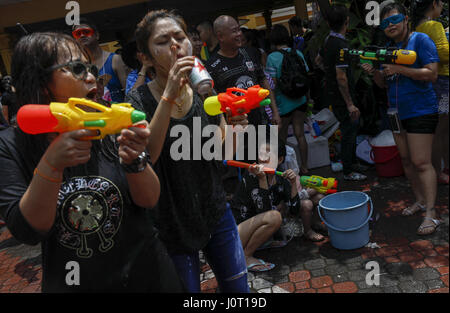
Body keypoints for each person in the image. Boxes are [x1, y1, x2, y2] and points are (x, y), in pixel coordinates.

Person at [0, 32, 185, 292]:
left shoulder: (107, 124)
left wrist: (135, 161)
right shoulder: (11, 145)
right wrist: (51, 165)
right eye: (76, 69)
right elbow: (28, 231)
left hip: (150, 275)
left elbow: (150, 200)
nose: (90, 77)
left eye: (90, 68)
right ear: (41, 82)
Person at [127, 9, 250, 293]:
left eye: (180, 37)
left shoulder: (204, 90)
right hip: (171, 223)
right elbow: (148, 158)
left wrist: (236, 128)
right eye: (162, 41)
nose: (174, 45)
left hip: (215, 209)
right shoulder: (138, 100)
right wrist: (169, 94)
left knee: (238, 291)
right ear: (145, 57)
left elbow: (220, 150)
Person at [362, 3, 441, 235]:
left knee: (421, 162)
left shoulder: (420, 40)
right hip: (396, 113)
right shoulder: (387, 48)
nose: (391, 26)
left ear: (406, 19)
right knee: (406, 161)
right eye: (385, 23)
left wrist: (399, 69)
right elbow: (382, 83)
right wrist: (375, 72)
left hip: (420, 110)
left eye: (394, 20)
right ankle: (420, 201)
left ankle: (432, 214)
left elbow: (432, 74)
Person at [231, 140, 325, 270]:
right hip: (235, 235)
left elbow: (294, 210)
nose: (262, 158)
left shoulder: (280, 178)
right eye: (260, 154)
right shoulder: (252, 175)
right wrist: (262, 179)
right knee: (274, 216)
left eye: (268, 155)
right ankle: (246, 256)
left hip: (251, 229)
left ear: (280, 159)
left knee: (279, 212)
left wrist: (292, 183)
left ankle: (262, 243)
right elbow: (264, 212)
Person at [317, 4, 367, 181]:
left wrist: (329, 75)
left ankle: (352, 163)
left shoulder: (327, 40)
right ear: (347, 21)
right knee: (349, 130)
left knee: (350, 129)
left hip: (333, 93)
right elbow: (341, 77)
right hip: (343, 96)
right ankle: (348, 170)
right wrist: (350, 103)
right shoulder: (341, 44)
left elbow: (318, 61)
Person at [206, 15, 281, 128]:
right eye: (234, 31)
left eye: (239, 29)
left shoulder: (250, 53)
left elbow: (263, 80)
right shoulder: (212, 66)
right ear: (221, 36)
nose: (239, 34)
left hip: (262, 123)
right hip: (237, 131)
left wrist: (275, 113)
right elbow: (214, 100)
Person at [411, 0, 449, 185]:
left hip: (428, 83)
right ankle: (439, 171)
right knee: (441, 128)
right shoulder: (434, 25)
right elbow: (444, 54)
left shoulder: (416, 27)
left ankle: (441, 169)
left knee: (440, 128)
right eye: (441, 3)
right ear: (434, 3)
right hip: (442, 82)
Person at [266, 24, 311, 175]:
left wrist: (274, 111)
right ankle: (305, 167)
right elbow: (306, 78)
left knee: (281, 140)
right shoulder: (298, 53)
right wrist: (308, 99)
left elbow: (272, 85)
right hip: (300, 101)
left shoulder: (272, 58)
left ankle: (286, 172)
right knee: (300, 134)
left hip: (283, 104)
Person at [72, 18, 131, 103]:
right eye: (77, 34)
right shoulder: (78, 67)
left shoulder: (115, 60)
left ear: (97, 35)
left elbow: (130, 93)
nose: (82, 35)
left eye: (86, 32)